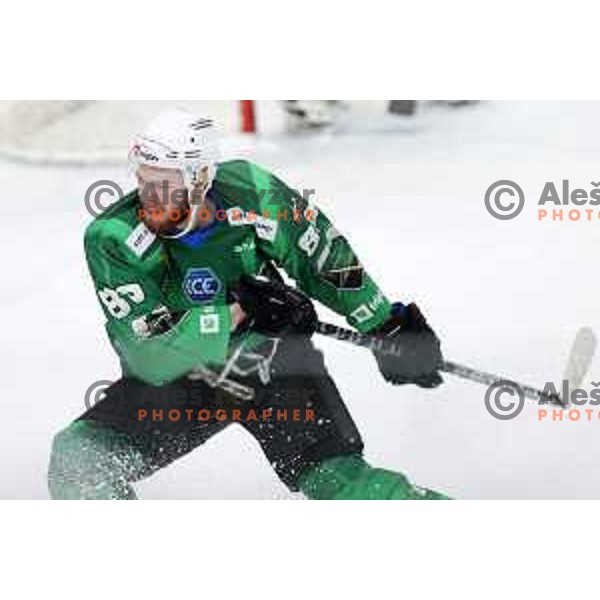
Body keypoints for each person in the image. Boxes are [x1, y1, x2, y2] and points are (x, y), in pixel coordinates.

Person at [48, 110, 449, 500]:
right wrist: (239, 312)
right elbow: (151, 354)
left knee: (339, 481)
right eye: (144, 180)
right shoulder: (113, 238)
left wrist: (383, 324)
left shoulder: (252, 191)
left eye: (165, 183)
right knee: (78, 461)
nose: (150, 196)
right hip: (178, 385)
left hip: (271, 364)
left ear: (201, 177)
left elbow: (320, 254)